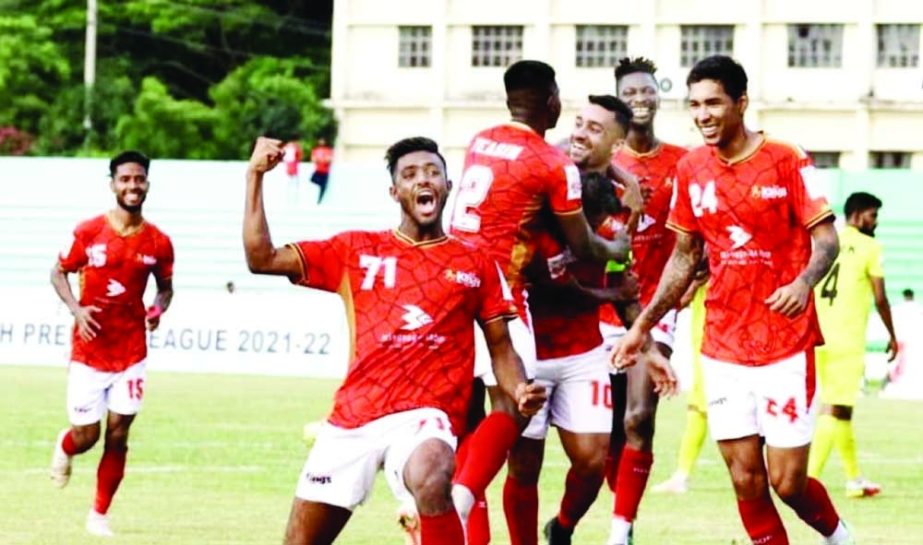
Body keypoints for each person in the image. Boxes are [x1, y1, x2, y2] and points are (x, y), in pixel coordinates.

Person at [242, 135, 546, 545]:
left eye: (433, 172)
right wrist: (255, 175)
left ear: (447, 186)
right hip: (354, 418)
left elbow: (502, 349)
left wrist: (519, 388)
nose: (424, 180)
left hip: (426, 417)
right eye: (410, 174)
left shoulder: (476, 263)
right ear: (394, 191)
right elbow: (261, 258)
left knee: (435, 469)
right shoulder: (356, 248)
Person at [612, 55, 855, 545]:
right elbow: (683, 257)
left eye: (713, 103)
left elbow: (826, 239)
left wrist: (802, 283)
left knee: (787, 482)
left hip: (784, 343)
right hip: (723, 344)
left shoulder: (787, 158)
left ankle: (840, 537)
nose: (702, 114)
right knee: (745, 478)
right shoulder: (692, 167)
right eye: (694, 104)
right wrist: (642, 326)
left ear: (740, 103)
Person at [446, 60, 673, 538]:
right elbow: (569, 271)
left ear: (616, 143)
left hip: (579, 347)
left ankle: (564, 526)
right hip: (521, 328)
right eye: (578, 123)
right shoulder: (547, 168)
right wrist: (610, 280)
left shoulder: (615, 197)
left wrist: (646, 345)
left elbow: (624, 280)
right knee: (521, 463)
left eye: (595, 128)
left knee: (591, 462)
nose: (581, 134)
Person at [48, 150, 175, 538]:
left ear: (147, 184)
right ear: (113, 184)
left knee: (119, 433)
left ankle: (98, 514)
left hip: (132, 352)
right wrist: (76, 308)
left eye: (139, 179)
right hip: (89, 352)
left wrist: (156, 310)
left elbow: (166, 290)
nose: (132, 186)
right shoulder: (88, 232)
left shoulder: (159, 242)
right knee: (88, 437)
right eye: (125, 180)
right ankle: (66, 447)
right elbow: (58, 272)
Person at [603, 56, 690, 545]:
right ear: (619, 100)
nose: (640, 98)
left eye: (647, 90)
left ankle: (621, 533)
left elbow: (700, 234)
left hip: (657, 310)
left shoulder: (682, 160)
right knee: (608, 433)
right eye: (630, 92)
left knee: (639, 416)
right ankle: (616, 511)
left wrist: (695, 279)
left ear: (659, 95)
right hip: (600, 309)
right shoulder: (600, 164)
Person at [808, 191, 897, 497]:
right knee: (833, 408)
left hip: (819, 337)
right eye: (873, 215)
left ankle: (854, 478)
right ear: (858, 215)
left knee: (842, 410)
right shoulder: (870, 247)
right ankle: (808, 481)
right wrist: (892, 335)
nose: (876, 222)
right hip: (846, 340)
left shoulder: (825, 242)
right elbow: (881, 297)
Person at [651, 266, 710, 494]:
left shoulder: (708, 258)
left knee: (706, 408)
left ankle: (682, 475)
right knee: (698, 407)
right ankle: (681, 474)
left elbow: (681, 299)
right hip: (707, 337)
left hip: (715, 339)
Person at [310, 138, 333, 204]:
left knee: (323, 187)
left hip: (325, 171)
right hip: (318, 170)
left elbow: (329, 159)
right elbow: (313, 159)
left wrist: (320, 160)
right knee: (313, 180)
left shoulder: (328, 150)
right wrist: (322, 160)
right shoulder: (316, 150)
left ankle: (319, 201)